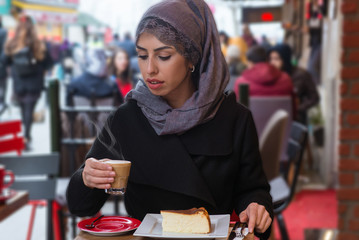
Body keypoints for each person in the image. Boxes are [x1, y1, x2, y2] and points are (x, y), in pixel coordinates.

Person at [66, 0, 273, 238]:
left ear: (192, 58)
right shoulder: (126, 119)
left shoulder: (234, 119)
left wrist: (257, 207)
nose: (149, 69)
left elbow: (253, 190)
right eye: (142, 56)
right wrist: (87, 178)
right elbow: (80, 206)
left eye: (163, 56)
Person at [2, 15, 53, 150]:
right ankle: (26, 137)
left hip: (19, 83)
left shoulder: (12, 43)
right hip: (34, 83)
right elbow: (48, 63)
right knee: (29, 110)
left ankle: (25, 135)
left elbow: (4, 61)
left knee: (24, 109)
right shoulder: (37, 43)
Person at [268, 43, 319, 123]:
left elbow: (314, 97)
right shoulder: (270, 76)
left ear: (285, 59)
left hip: (296, 120)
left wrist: (297, 108)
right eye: (270, 59)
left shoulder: (301, 75)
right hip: (274, 119)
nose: (272, 63)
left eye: (276, 59)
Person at [233, 45, 295, 110]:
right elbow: (292, 107)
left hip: (251, 119)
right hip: (281, 119)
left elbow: (237, 110)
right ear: (266, 60)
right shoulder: (286, 79)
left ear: (250, 63)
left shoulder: (241, 81)